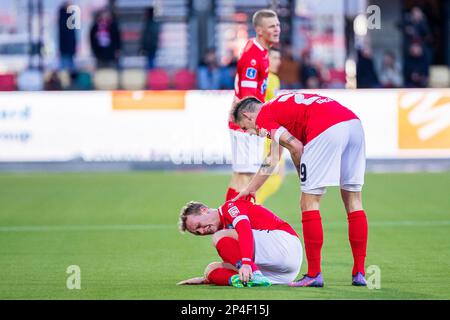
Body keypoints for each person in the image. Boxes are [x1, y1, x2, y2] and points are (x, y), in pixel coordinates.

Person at [231, 92, 369, 287]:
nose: (251, 133)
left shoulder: (263, 118)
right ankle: (360, 273)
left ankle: (314, 274)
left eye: (246, 129)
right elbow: (273, 158)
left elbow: (296, 147)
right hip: (353, 124)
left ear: (247, 115)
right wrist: (250, 189)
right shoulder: (278, 107)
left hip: (326, 128)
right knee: (354, 202)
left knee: (308, 203)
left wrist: (304, 178)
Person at [177, 198, 302, 287]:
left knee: (219, 236)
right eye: (197, 232)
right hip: (285, 274)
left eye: (199, 225)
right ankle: (246, 279)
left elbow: (244, 230)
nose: (202, 231)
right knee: (211, 269)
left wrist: (247, 263)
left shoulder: (229, 207)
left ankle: (255, 274)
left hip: (286, 243)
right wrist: (209, 279)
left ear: (204, 210)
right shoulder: (227, 237)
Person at [226, 9, 281, 203]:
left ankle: (234, 221)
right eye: (271, 26)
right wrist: (255, 127)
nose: (277, 29)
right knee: (245, 177)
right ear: (259, 30)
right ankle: (232, 221)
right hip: (246, 124)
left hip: (250, 123)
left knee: (245, 176)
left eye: (278, 25)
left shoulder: (260, 51)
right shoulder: (253, 56)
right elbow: (248, 102)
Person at [255, 47, 285, 204]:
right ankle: (251, 206)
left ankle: (252, 206)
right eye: (274, 58)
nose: (278, 61)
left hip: (274, 134)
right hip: (269, 135)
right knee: (273, 176)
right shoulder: (266, 79)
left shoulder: (273, 78)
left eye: (278, 58)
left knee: (276, 176)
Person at [58, 1, 77, 71]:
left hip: (69, 48)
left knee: (68, 67)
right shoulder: (64, 17)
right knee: (65, 67)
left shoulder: (70, 17)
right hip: (65, 48)